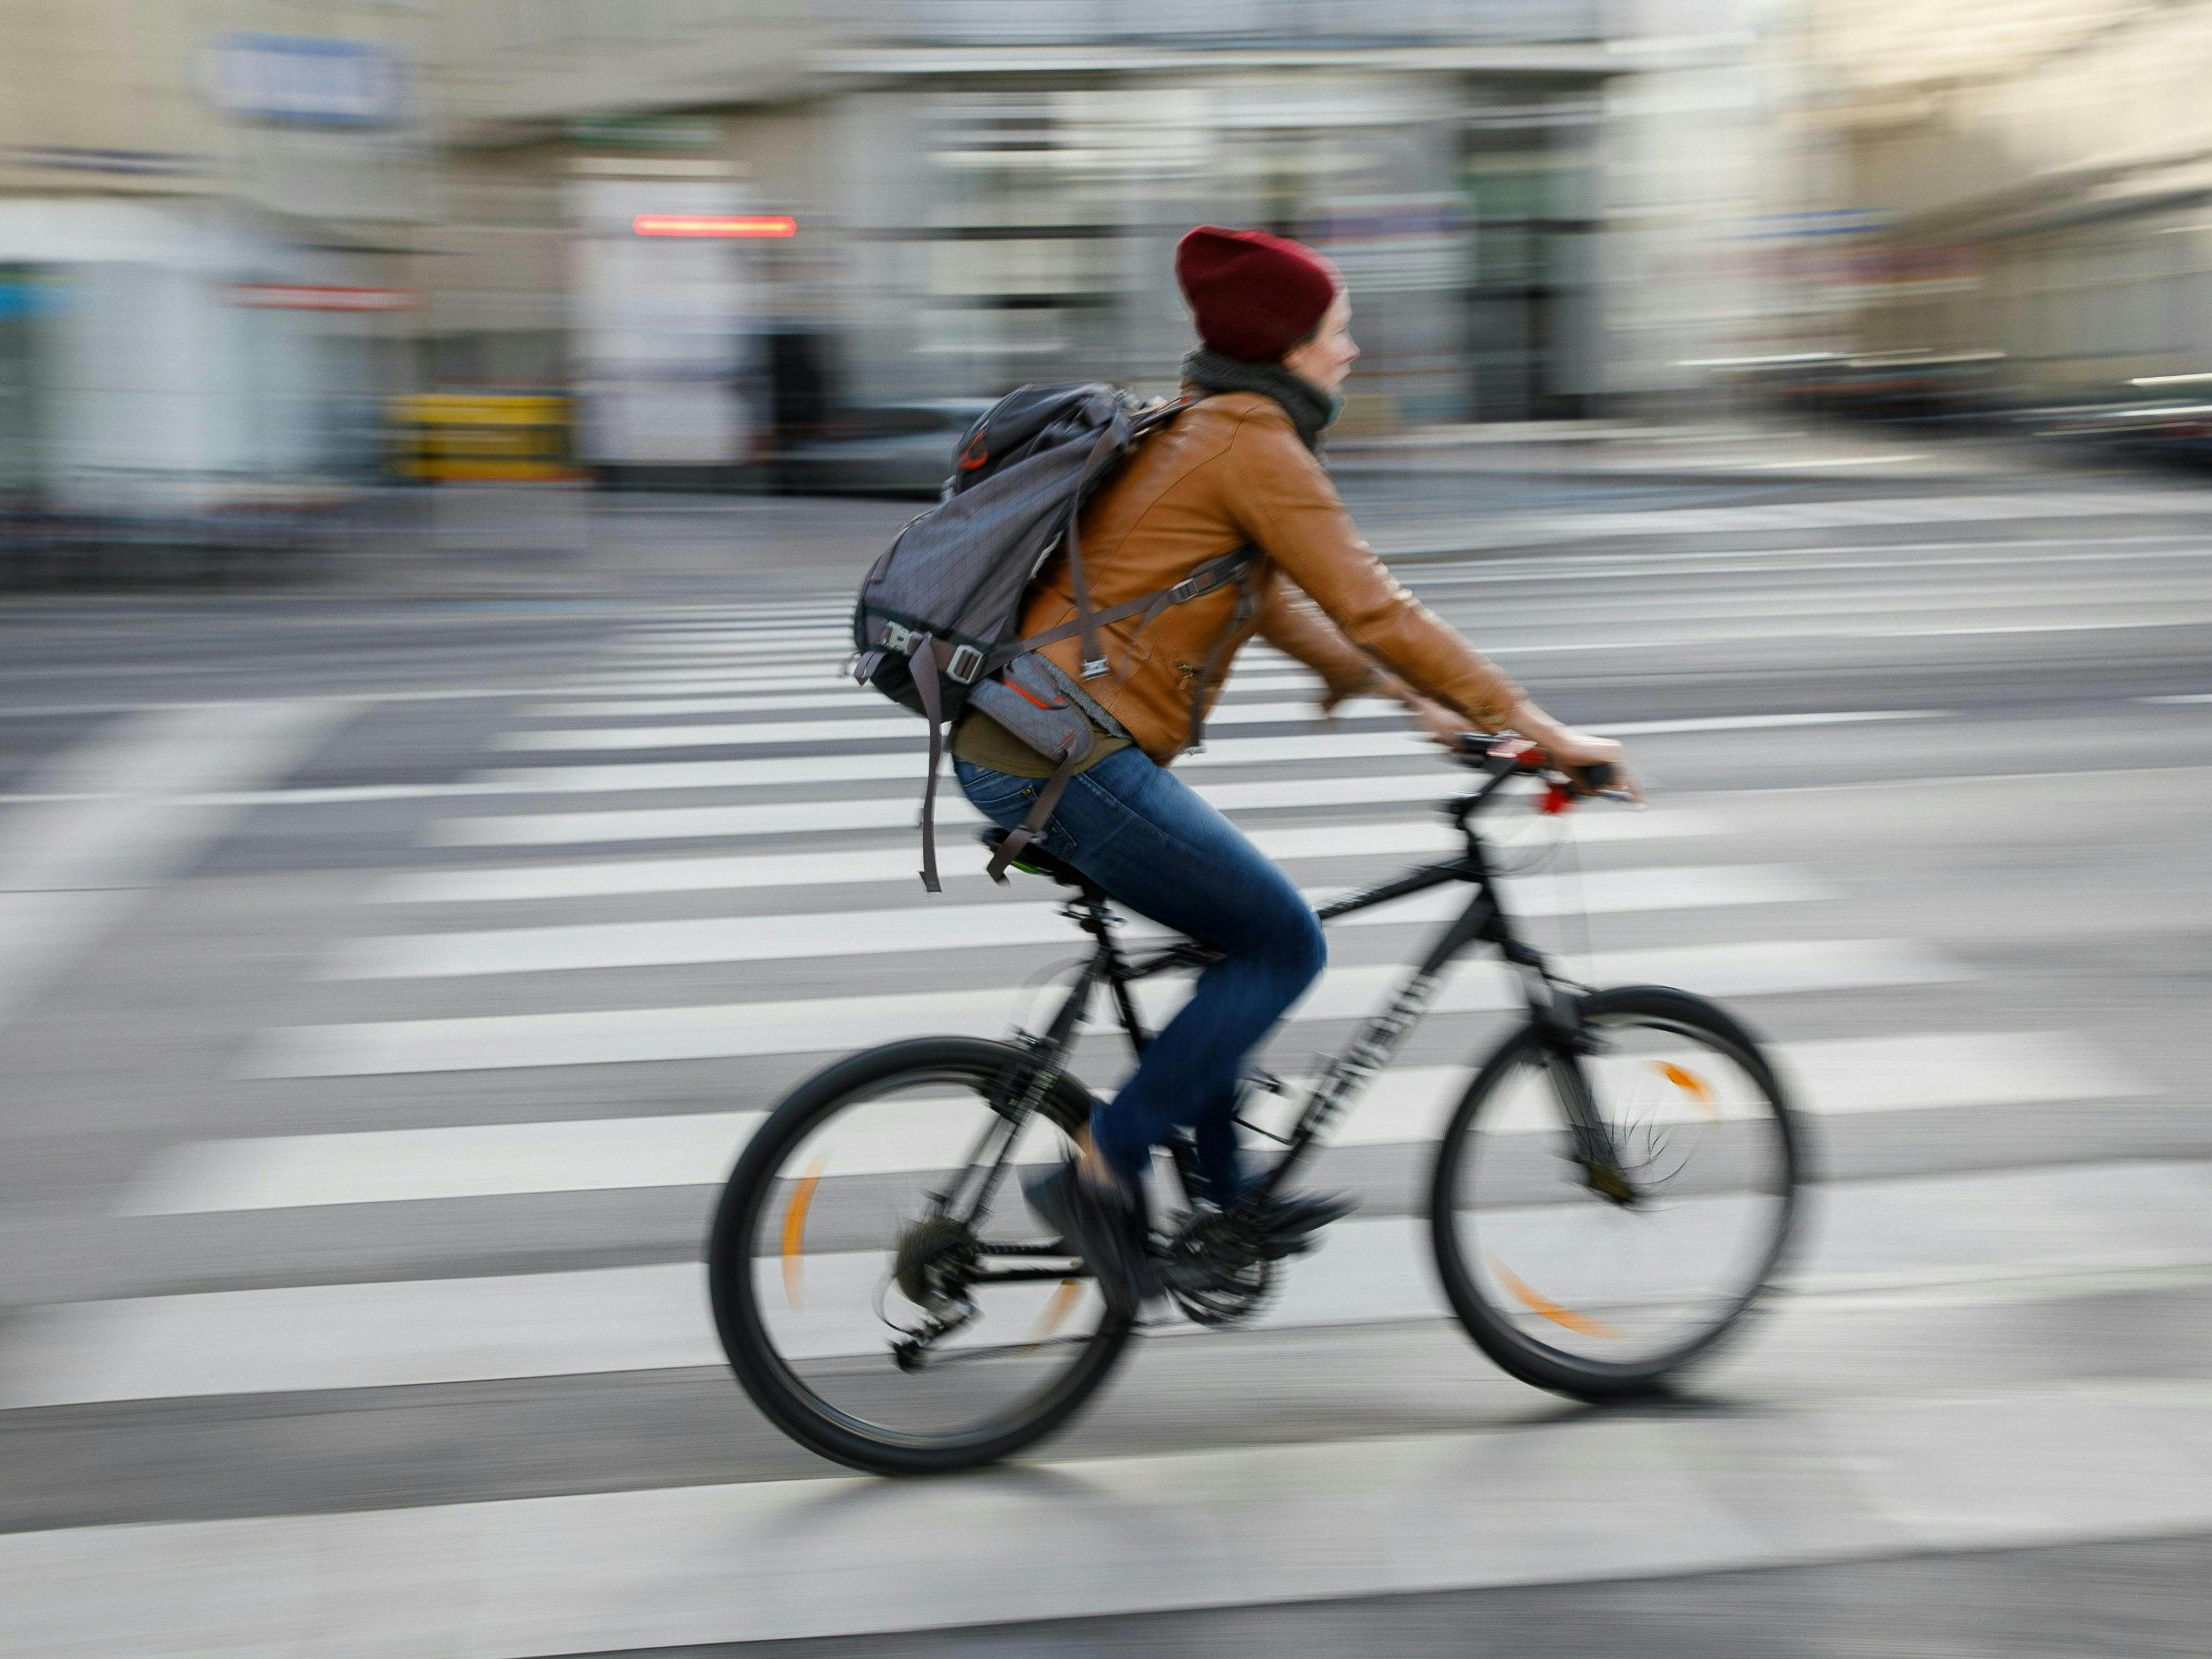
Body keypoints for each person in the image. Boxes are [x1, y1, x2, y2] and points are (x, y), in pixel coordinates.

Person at [950, 224, 1634, 1312]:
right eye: (1336, 329)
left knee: (1235, 940)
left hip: (1037, 740)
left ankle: (1227, 1203)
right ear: (1285, 345)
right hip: (1060, 754)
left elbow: (1260, 592)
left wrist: (1391, 694)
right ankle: (1098, 1169)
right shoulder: (1250, 441)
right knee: (1282, 939)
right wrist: (1536, 727)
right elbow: (1375, 604)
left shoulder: (1206, 425)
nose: (1350, 349)